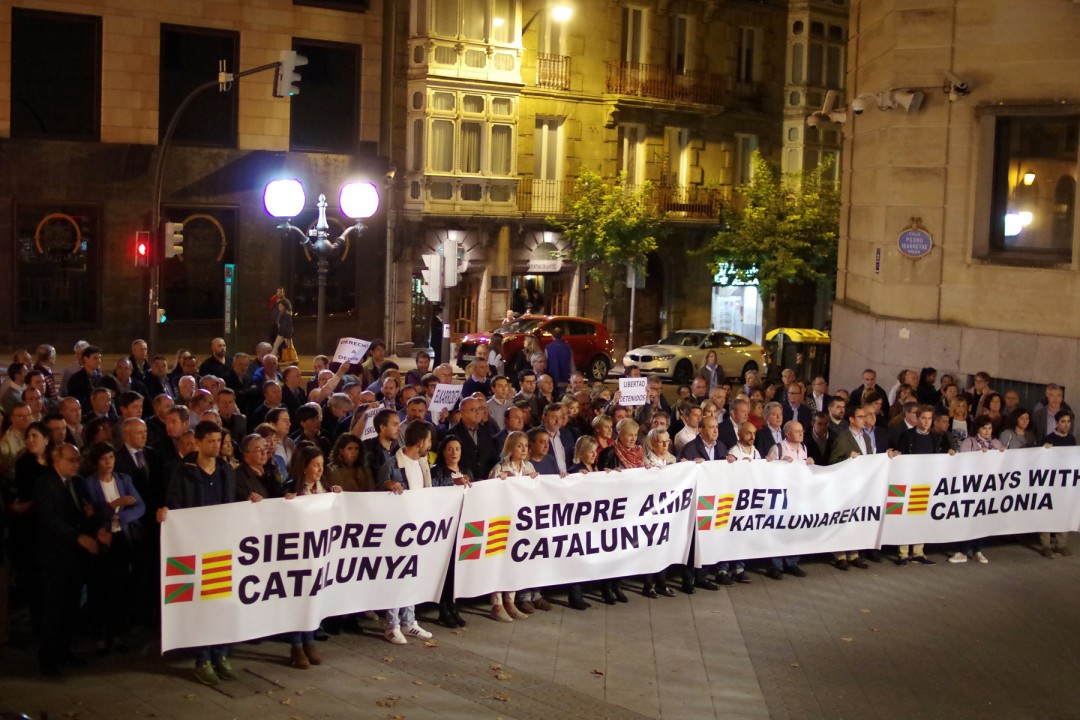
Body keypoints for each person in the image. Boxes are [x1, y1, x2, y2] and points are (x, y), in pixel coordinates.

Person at [157, 421, 243, 686]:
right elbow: (174, 504)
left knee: (221, 603)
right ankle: (202, 658)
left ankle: (220, 654)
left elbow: (233, 502)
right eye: (211, 441)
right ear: (198, 442)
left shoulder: (226, 470)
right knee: (200, 605)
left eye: (219, 441)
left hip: (222, 547)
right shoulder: (184, 472)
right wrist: (167, 515)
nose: (216, 446)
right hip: (195, 550)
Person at [34, 443, 101, 675]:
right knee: (54, 608)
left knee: (71, 606)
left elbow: (82, 511)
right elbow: (50, 519)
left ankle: (64, 650)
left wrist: (89, 515)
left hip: (75, 557)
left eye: (78, 459)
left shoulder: (77, 482)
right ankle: (48, 658)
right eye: (71, 460)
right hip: (55, 556)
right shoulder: (46, 484)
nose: (76, 464)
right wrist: (78, 537)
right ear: (57, 460)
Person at [78, 441, 145, 655]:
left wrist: (121, 517)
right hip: (100, 540)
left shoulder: (124, 479)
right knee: (99, 589)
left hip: (120, 538)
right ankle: (99, 636)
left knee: (119, 588)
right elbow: (92, 514)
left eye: (111, 457)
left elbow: (140, 506)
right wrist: (114, 506)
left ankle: (117, 633)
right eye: (103, 459)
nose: (108, 462)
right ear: (96, 462)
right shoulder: (88, 484)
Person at [282, 443, 341, 665]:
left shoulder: (324, 487)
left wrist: (337, 496)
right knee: (298, 598)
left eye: (322, 465)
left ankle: (309, 640)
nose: (320, 469)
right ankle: (296, 644)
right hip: (297, 553)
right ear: (304, 466)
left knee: (313, 597)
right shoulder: (291, 488)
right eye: (315, 465)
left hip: (319, 552)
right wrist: (286, 503)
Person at [487, 431, 536, 621]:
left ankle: (511, 601)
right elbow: (489, 493)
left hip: (521, 522)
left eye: (525, 445)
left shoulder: (529, 467)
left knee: (515, 562)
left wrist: (536, 481)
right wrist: (498, 481)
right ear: (510, 447)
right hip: (502, 521)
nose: (523, 449)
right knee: (499, 562)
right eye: (519, 445)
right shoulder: (500, 468)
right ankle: (497, 604)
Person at [430, 435, 472, 627]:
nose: (454, 452)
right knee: (445, 571)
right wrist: (452, 483)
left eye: (457, 449)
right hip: (445, 526)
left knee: (456, 570)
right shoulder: (437, 471)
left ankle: (453, 606)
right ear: (443, 451)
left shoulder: (466, 471)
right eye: (450, 449)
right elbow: (433, 490)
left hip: (463, 525)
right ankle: (443, 609)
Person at [950, 416, 1004, 564]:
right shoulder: (970, 442)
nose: (987, 431)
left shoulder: (995, 443)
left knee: (981, 518)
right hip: (971, 486)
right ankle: (962, 550)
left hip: (988, 486)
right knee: (968, 518)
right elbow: (963, 461)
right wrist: (978, 455)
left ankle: (977, 550)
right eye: (984, 428)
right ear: (978, 429)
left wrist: (1003, 453)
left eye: (990, 428)